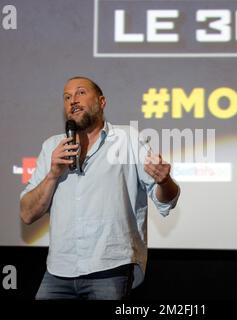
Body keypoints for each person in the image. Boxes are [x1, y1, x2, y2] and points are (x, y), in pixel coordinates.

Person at [19, 76, 180, 300]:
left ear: (102, 102)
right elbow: (27, 213)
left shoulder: (128, 140)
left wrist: (164, 181)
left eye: (81, 93)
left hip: (110, 268)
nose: (72, 100)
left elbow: (166, 200)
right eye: (67, 97)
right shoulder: (51, 147)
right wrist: (53, 174)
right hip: (59, 270)